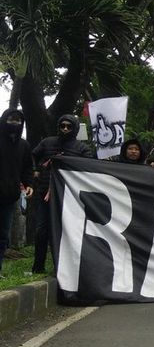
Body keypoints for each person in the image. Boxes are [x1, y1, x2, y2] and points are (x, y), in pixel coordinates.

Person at [31, 114, 94, 273]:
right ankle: (38, 268)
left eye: (69, 126)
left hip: (69, 197)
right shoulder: (47, 142)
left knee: (63, 232)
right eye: (62, 126)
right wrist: (35, 170)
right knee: (41, 231)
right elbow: (32, 155)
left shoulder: (82, 148)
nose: (65, 129)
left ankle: (61, 268)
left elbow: (90, 168)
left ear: (75, 129)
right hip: (45, 193)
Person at [0, 109, 34, 277]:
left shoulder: (23, 145)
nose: (14, 124)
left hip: (9, 197)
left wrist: (28, 184)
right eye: (11, 120)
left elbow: (27, 167)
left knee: (3, 235)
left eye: (18, 121)